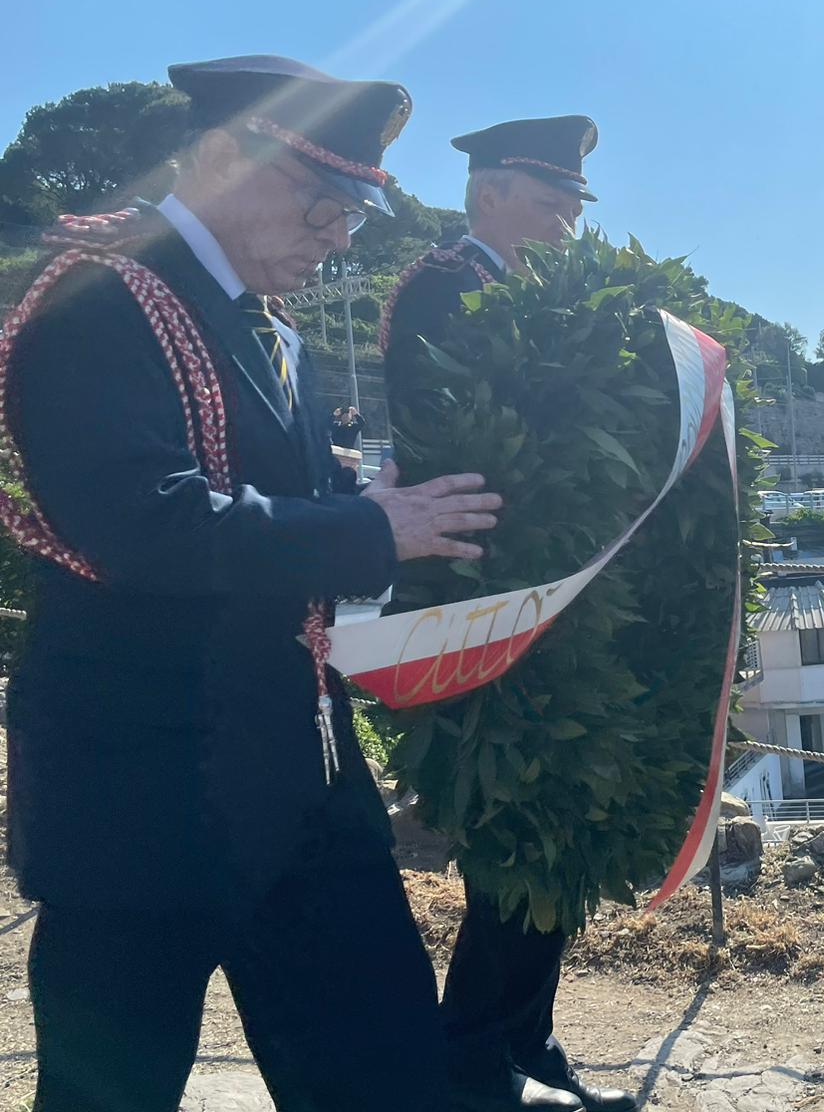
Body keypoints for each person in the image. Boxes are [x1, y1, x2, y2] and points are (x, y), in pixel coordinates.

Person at [4, 55, 504, 1112]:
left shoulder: (272, 330)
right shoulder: (96, 295)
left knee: (388, 1071)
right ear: (225, 156)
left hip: (297, 775)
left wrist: (376, 506)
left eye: (354, 216)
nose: (339, 237)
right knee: (110, 1093)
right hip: (141, 794)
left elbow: (283, 502)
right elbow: (144, 524)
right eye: (324, 202)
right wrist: (371, 528)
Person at [382, 117, 635, 1112]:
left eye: (574, 204)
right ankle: (480, 1058)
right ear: (488, 194)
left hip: (544, 584)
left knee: (554, 821)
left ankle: (522, 1042)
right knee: (514, 827)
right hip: (480, 588)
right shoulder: (445, 285)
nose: (570, 222)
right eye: (550, 201)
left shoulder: (537, 295)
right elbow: (465, 435)